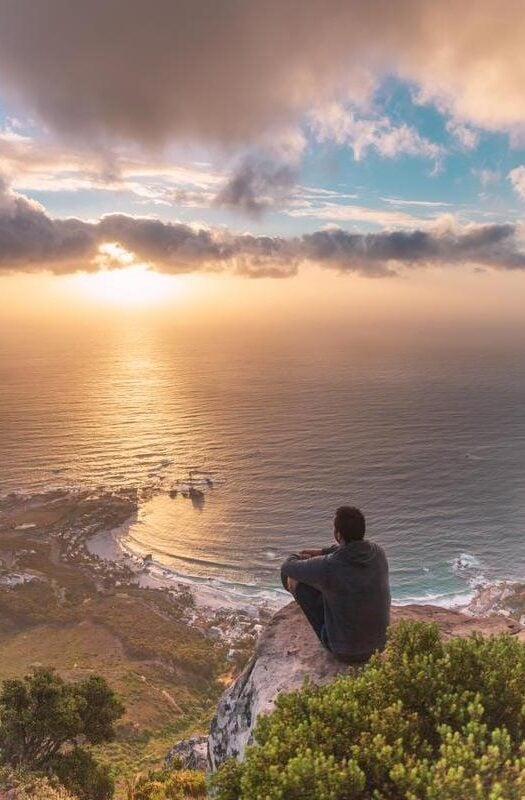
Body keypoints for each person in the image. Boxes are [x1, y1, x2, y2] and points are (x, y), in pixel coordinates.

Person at [280, 506, 390, 663]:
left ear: (337, 534)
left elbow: (287, 567)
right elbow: (343, 551)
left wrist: (298, 556)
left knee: (293, 579)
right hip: (380, 645)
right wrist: (320, 552)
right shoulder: (378, 552)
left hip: (345, 651)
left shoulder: (329, 566)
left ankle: (326, 626)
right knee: (336, 586)